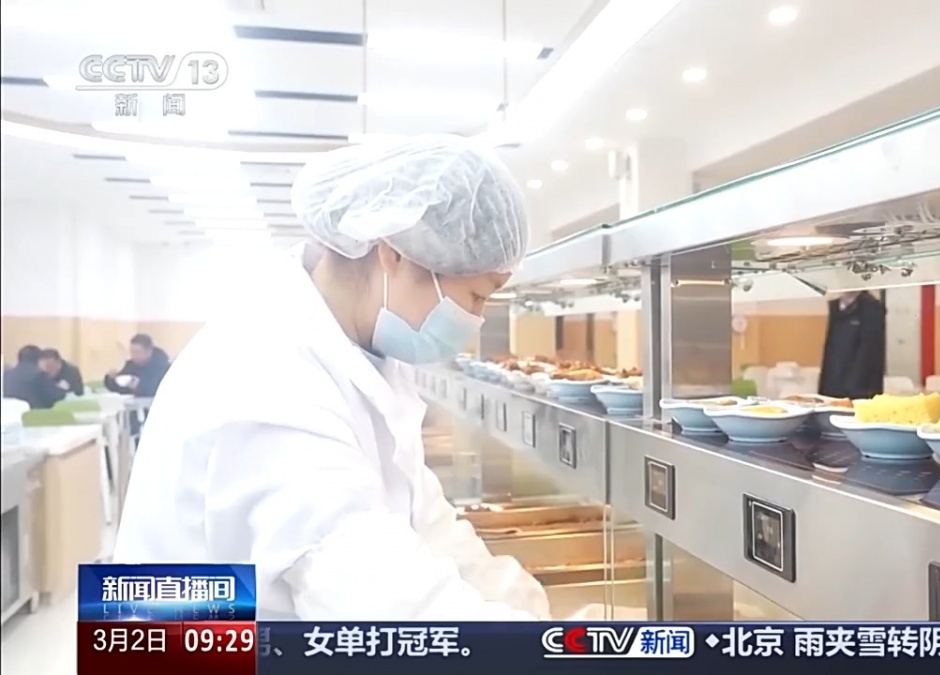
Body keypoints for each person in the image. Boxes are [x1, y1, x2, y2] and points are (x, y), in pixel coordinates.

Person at [113, 136, 548, 621]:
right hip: (187, 645)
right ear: (395, 254)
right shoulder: (268, 373)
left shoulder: (363, 355)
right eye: (476, 296)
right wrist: (549, 650)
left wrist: (528, 608)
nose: (476, 320)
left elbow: (423, 517)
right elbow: (378, 598)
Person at [818, 291, 886, 400]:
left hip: (860, 389)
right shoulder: (835, 306)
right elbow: (830, 349)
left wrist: (853, 389)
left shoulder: (872, 307)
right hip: (832, 384)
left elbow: (869, 353)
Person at [104, 334, 171, 397]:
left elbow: (155, 390)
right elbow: (120, 388)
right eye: (132, 352)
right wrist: (111, 380)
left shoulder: (162, 367)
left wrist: (137, 386)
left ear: (149, 351)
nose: (134, 356)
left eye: (137, 352)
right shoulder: (131, 365)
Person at [2, 345, 67, 409]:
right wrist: (62, 389)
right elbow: (55, 397)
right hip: (34, 414)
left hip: (10, 414)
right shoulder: (39, 375)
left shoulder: (5, 375)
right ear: (39, 360)